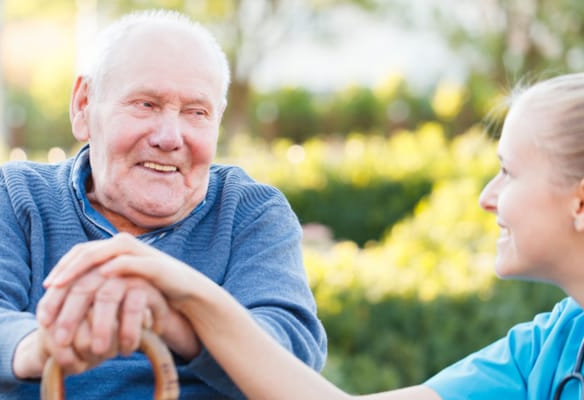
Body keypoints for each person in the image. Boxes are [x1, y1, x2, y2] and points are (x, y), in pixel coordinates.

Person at [46, 72, 584, 399]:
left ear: (580, 202)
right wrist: (184, 291)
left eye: (508, 172)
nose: (487, 196)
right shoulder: (555, 343)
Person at [0, 9, 327, 399]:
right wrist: (43, 344)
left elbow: (293, 357)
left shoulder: (250, 213)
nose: (170, 137)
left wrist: (173, 320)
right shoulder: (16, 197)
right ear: (84, 105)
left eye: (196, 112)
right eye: (146, 105)